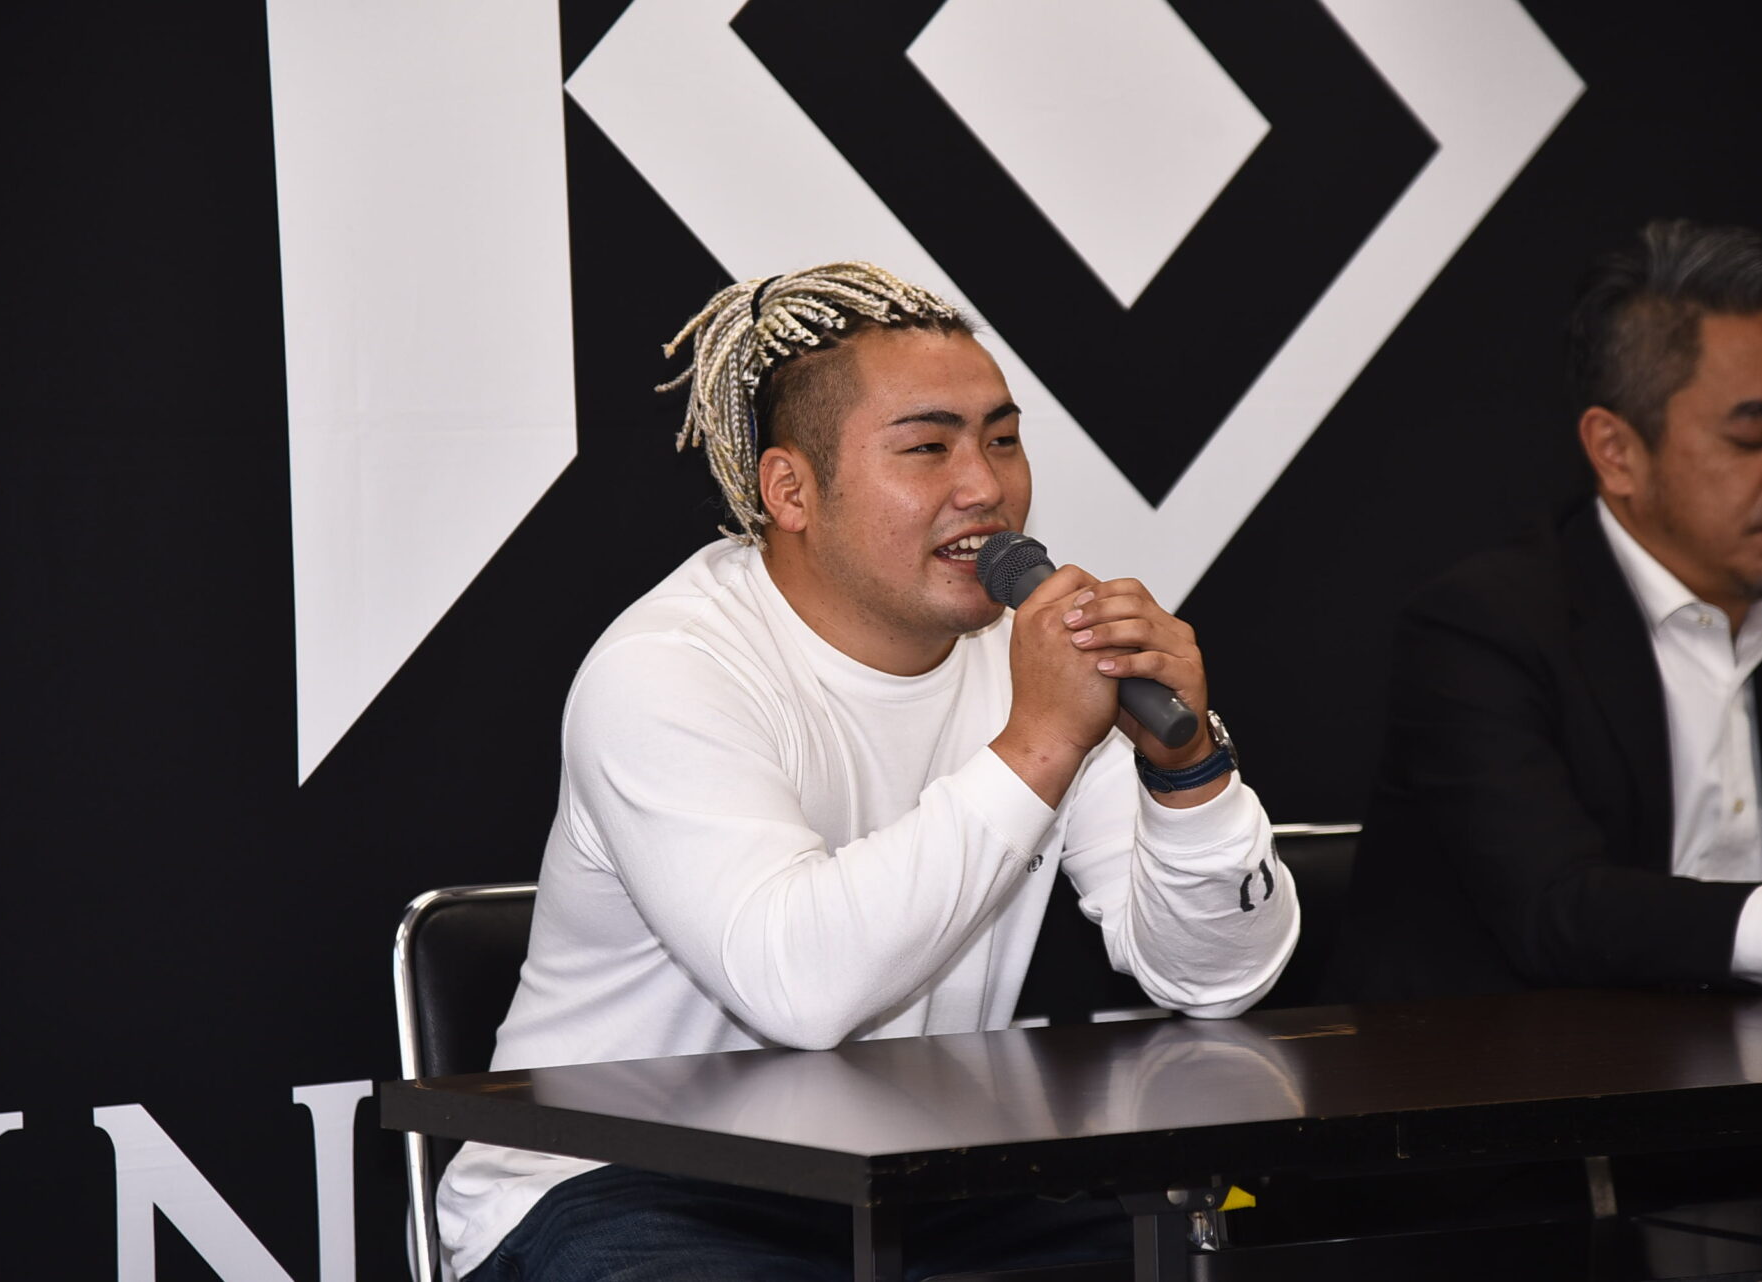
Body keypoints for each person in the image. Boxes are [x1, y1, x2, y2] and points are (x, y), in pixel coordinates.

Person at [438, 262, 1299, 1281]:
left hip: (910, 1179)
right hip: (626, 1182)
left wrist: (1188, 768)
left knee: (1192, 1256)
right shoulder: (666, 670)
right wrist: (1037, 746)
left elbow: (1217, 979)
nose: (986, 487)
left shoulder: (1034, 658)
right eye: (929, 447)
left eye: (1002, 439)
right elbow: (797, 987)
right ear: (790, 490)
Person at [1332, 219, 1762, 1004]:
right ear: (1617, 451)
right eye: (1752, 435)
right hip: (1524, 1072)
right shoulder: (1482, 628)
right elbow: (1556, 909)